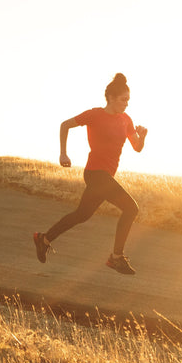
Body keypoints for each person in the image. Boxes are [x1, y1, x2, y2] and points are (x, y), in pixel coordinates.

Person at [34, 73, 148, 275]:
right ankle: (116, 258)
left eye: (128, 100)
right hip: (95, 173)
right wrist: (63, 153)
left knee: (82, 215)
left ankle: (44, 239)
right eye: (123, 99)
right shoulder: (95, 115)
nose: (127, 104)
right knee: (131, 208)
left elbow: (137, 147)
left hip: (106, 177)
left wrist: (143, 136)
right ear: (111, 98)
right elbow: (65, 125)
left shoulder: (126, 120)